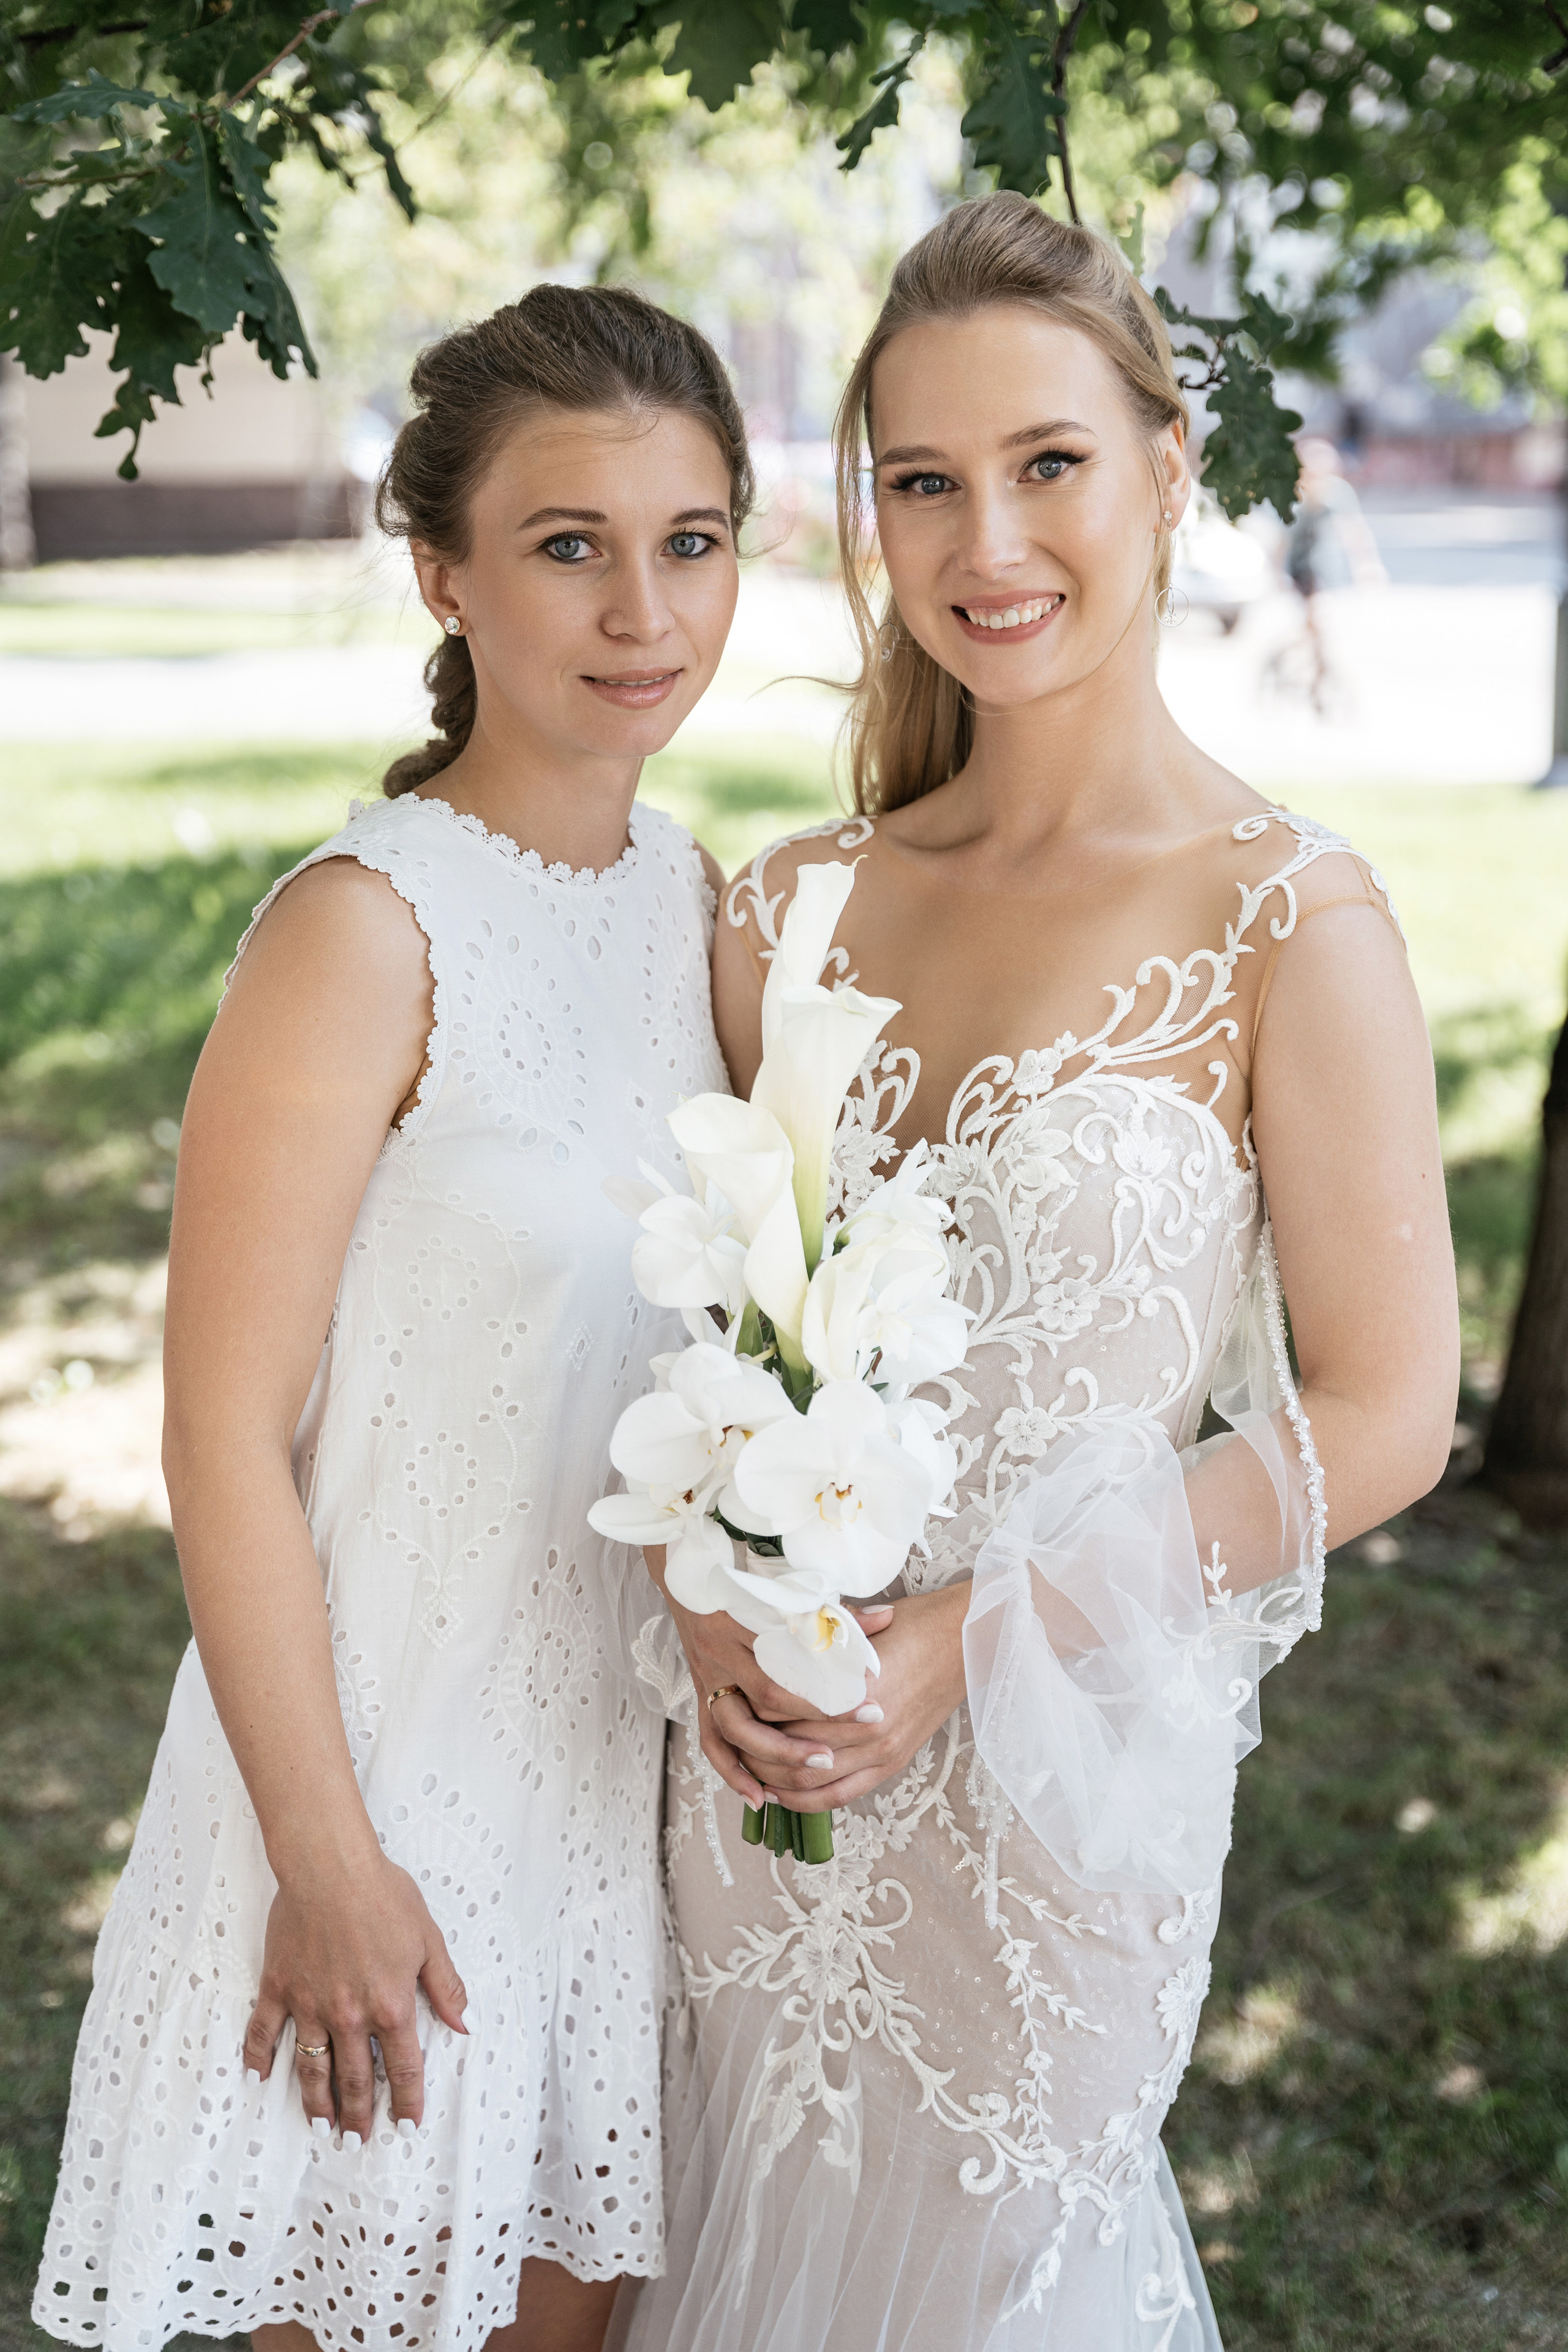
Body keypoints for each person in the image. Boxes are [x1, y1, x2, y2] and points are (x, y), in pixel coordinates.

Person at [617, 194, 1458, 2350]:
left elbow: (1380, 1416)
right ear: (871, 515)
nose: (986, 539)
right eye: (924, 482)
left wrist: (966, 1639)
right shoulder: (785, 910)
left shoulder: (1294, 920)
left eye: (1048, 465)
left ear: (1169, 475)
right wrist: (698, 1595)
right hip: (763, 1784)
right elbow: (687, 1332)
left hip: (1054, 1782)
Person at [34, 283, 750, 2352]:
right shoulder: (362, 931)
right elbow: (220, 1436)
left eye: (689, 541)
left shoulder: (699, 909)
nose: (644, 611)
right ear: (440, 567)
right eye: (568, 545)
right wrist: (325, 1863)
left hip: (617, 1829)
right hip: (376, 1815)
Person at [1274, 434, 1385, 714]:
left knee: (1322, 629)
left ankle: (1312, 675)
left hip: (1326, 570)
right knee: (1319, 622)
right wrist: (1276, 574)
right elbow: (1283, 542)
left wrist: (1367, 565)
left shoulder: (1339, 494)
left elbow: (1354, 530)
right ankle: (1309, 677)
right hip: (1302, 571)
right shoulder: (1294, 499)